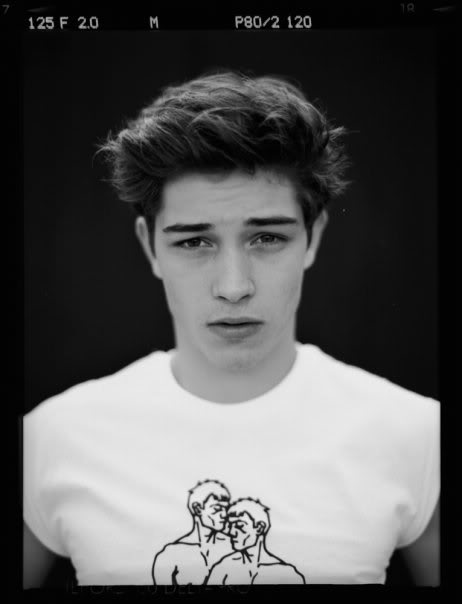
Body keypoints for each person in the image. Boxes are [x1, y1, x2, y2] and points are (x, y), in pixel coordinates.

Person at [23, 70, 440, 587]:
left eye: (267, 238)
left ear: (312, 238)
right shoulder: (52, 437)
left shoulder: (416, 433)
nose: (234, 287)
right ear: (150, 246)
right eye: (193, 242)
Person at [206, 497, 305, 585]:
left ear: (259, 528)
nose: (231, 532)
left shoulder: (288, 573)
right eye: (230, 526)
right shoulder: (223, 568)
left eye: (239, 526)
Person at [152, 479, 232, 585]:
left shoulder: (233, 547)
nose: (224, 515)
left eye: (226, 509)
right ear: (197, 509)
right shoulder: (170, 554)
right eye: (217, 509)